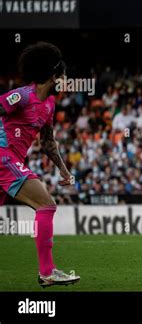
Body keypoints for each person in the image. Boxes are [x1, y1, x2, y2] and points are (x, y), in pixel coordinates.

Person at [0, 42, 80, 287]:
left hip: (10, 161)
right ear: (54, 75)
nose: (66, 80)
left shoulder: (49, 104)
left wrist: (65, 171)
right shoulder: (23, 96)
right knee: (46, 204)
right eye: (64, 76)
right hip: (4, 158)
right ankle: (47, 272)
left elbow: (48, 142)